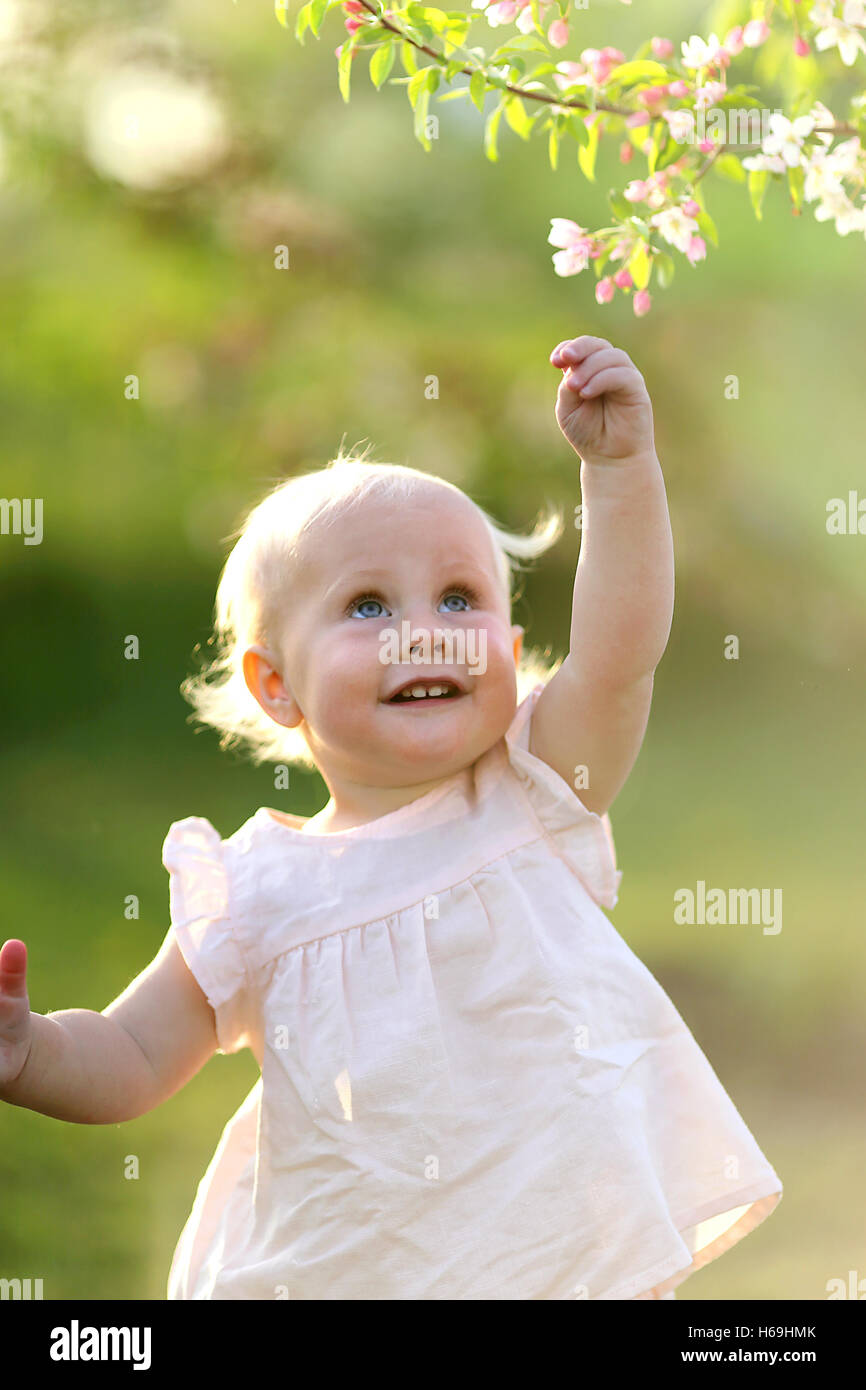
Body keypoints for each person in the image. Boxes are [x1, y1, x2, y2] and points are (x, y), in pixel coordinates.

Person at [0, 335, 782, 1299]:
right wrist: (30, 1052)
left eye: (459, 598)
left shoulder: (532, 788)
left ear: (512, 645)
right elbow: (131, 1055)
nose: (423, 631)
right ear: (276, 685)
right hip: (356, 1272)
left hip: (565, 1263)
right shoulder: (252, 894)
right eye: (368, 606)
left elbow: (620, 653)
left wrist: (620, 473)